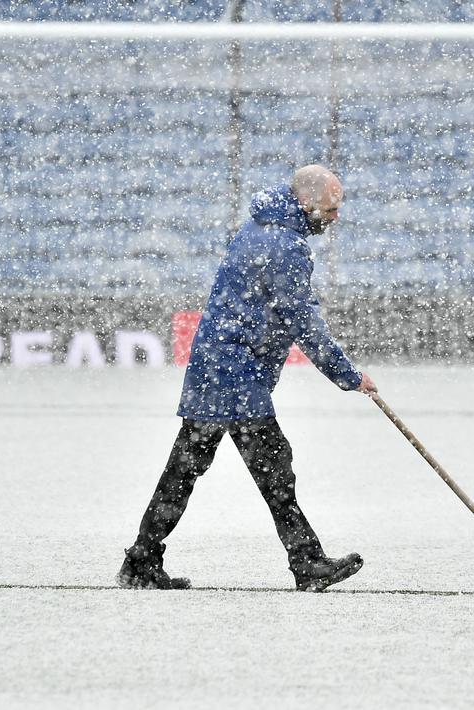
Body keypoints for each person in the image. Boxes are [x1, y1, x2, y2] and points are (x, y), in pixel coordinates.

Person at [118, 164, 378, 592]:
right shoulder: (285, 246)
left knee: (185, 469)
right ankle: (308, 563)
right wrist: (349, 375)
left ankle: (142, 560)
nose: (336, 217)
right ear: (305, 202)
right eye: (331, 209)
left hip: (214, 366)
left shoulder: (259, 228)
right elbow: (303, 322)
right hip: (236, 374)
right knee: (274, 469)